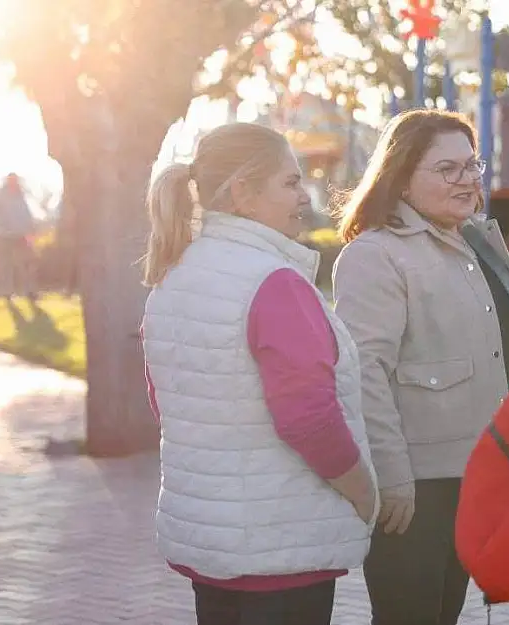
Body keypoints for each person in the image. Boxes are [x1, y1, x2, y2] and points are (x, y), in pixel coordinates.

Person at [139, 122, 378, 625]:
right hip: (282, 544)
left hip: (212, 541)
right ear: (244, 193)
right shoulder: (274, 283)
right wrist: (364, 493)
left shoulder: (175, 276)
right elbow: (309, 418)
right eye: (290, 183)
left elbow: (168, 400)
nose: (305, 197)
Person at [331, 108, 509, 625]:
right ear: (401, 179)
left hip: (473, 472)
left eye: (472, 166)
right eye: (448, 169)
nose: (468, 180)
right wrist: (393, 477)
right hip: (415, 487)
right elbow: (364, 374)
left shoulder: (473, 243)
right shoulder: (375, 256)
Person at [0, 173, 37, 301]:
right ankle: (7, 292)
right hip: (5, 235)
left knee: (26, 263)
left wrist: (30, 229)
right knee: (5, 265)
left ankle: (29, 290)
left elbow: (26, 213)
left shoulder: (21, 196)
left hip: (21, 234)